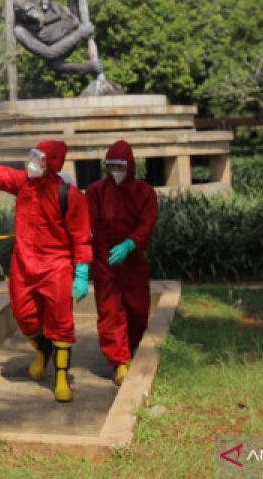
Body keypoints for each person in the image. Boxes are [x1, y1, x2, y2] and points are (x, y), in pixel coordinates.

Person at [0, 140, 92, 402]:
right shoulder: (23, 184)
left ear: (51, 163)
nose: (32, 161)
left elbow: (81, 236)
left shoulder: (70, 195)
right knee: (25, 316)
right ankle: (42, 351)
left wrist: (82, 272)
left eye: (38, 157)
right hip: (24, 266)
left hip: (56, 267)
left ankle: (61, 379)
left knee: (61, 323)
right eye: (32, 155)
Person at [85, 140, 158, 386]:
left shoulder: (145, 193)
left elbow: (147, 223)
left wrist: (130, 244)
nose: (116, 171)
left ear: (131, 166)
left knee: (137, 309)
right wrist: (83, 262)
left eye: (121, 166)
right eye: (111, 166)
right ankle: (119, 360)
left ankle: (132, 345)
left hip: (133, 260)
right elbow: (87, 224)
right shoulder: (95, 191)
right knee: (110, 311)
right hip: (105, 261)